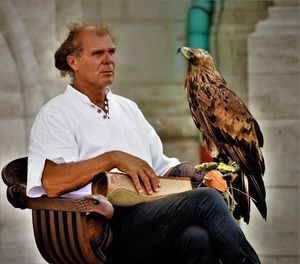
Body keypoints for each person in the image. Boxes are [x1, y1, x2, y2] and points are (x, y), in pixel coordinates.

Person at [27, 22, 261, 264]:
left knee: (197, 238)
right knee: (205, 201)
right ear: (73, 62)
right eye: (98, 53)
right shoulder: (55, 114)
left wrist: (200, 174)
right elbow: (52, 182)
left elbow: (162, 168)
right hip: (98, 231)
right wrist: (113, 158)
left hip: (147, 217)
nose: (108, 60)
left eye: (112, 52)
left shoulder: (127, 108)